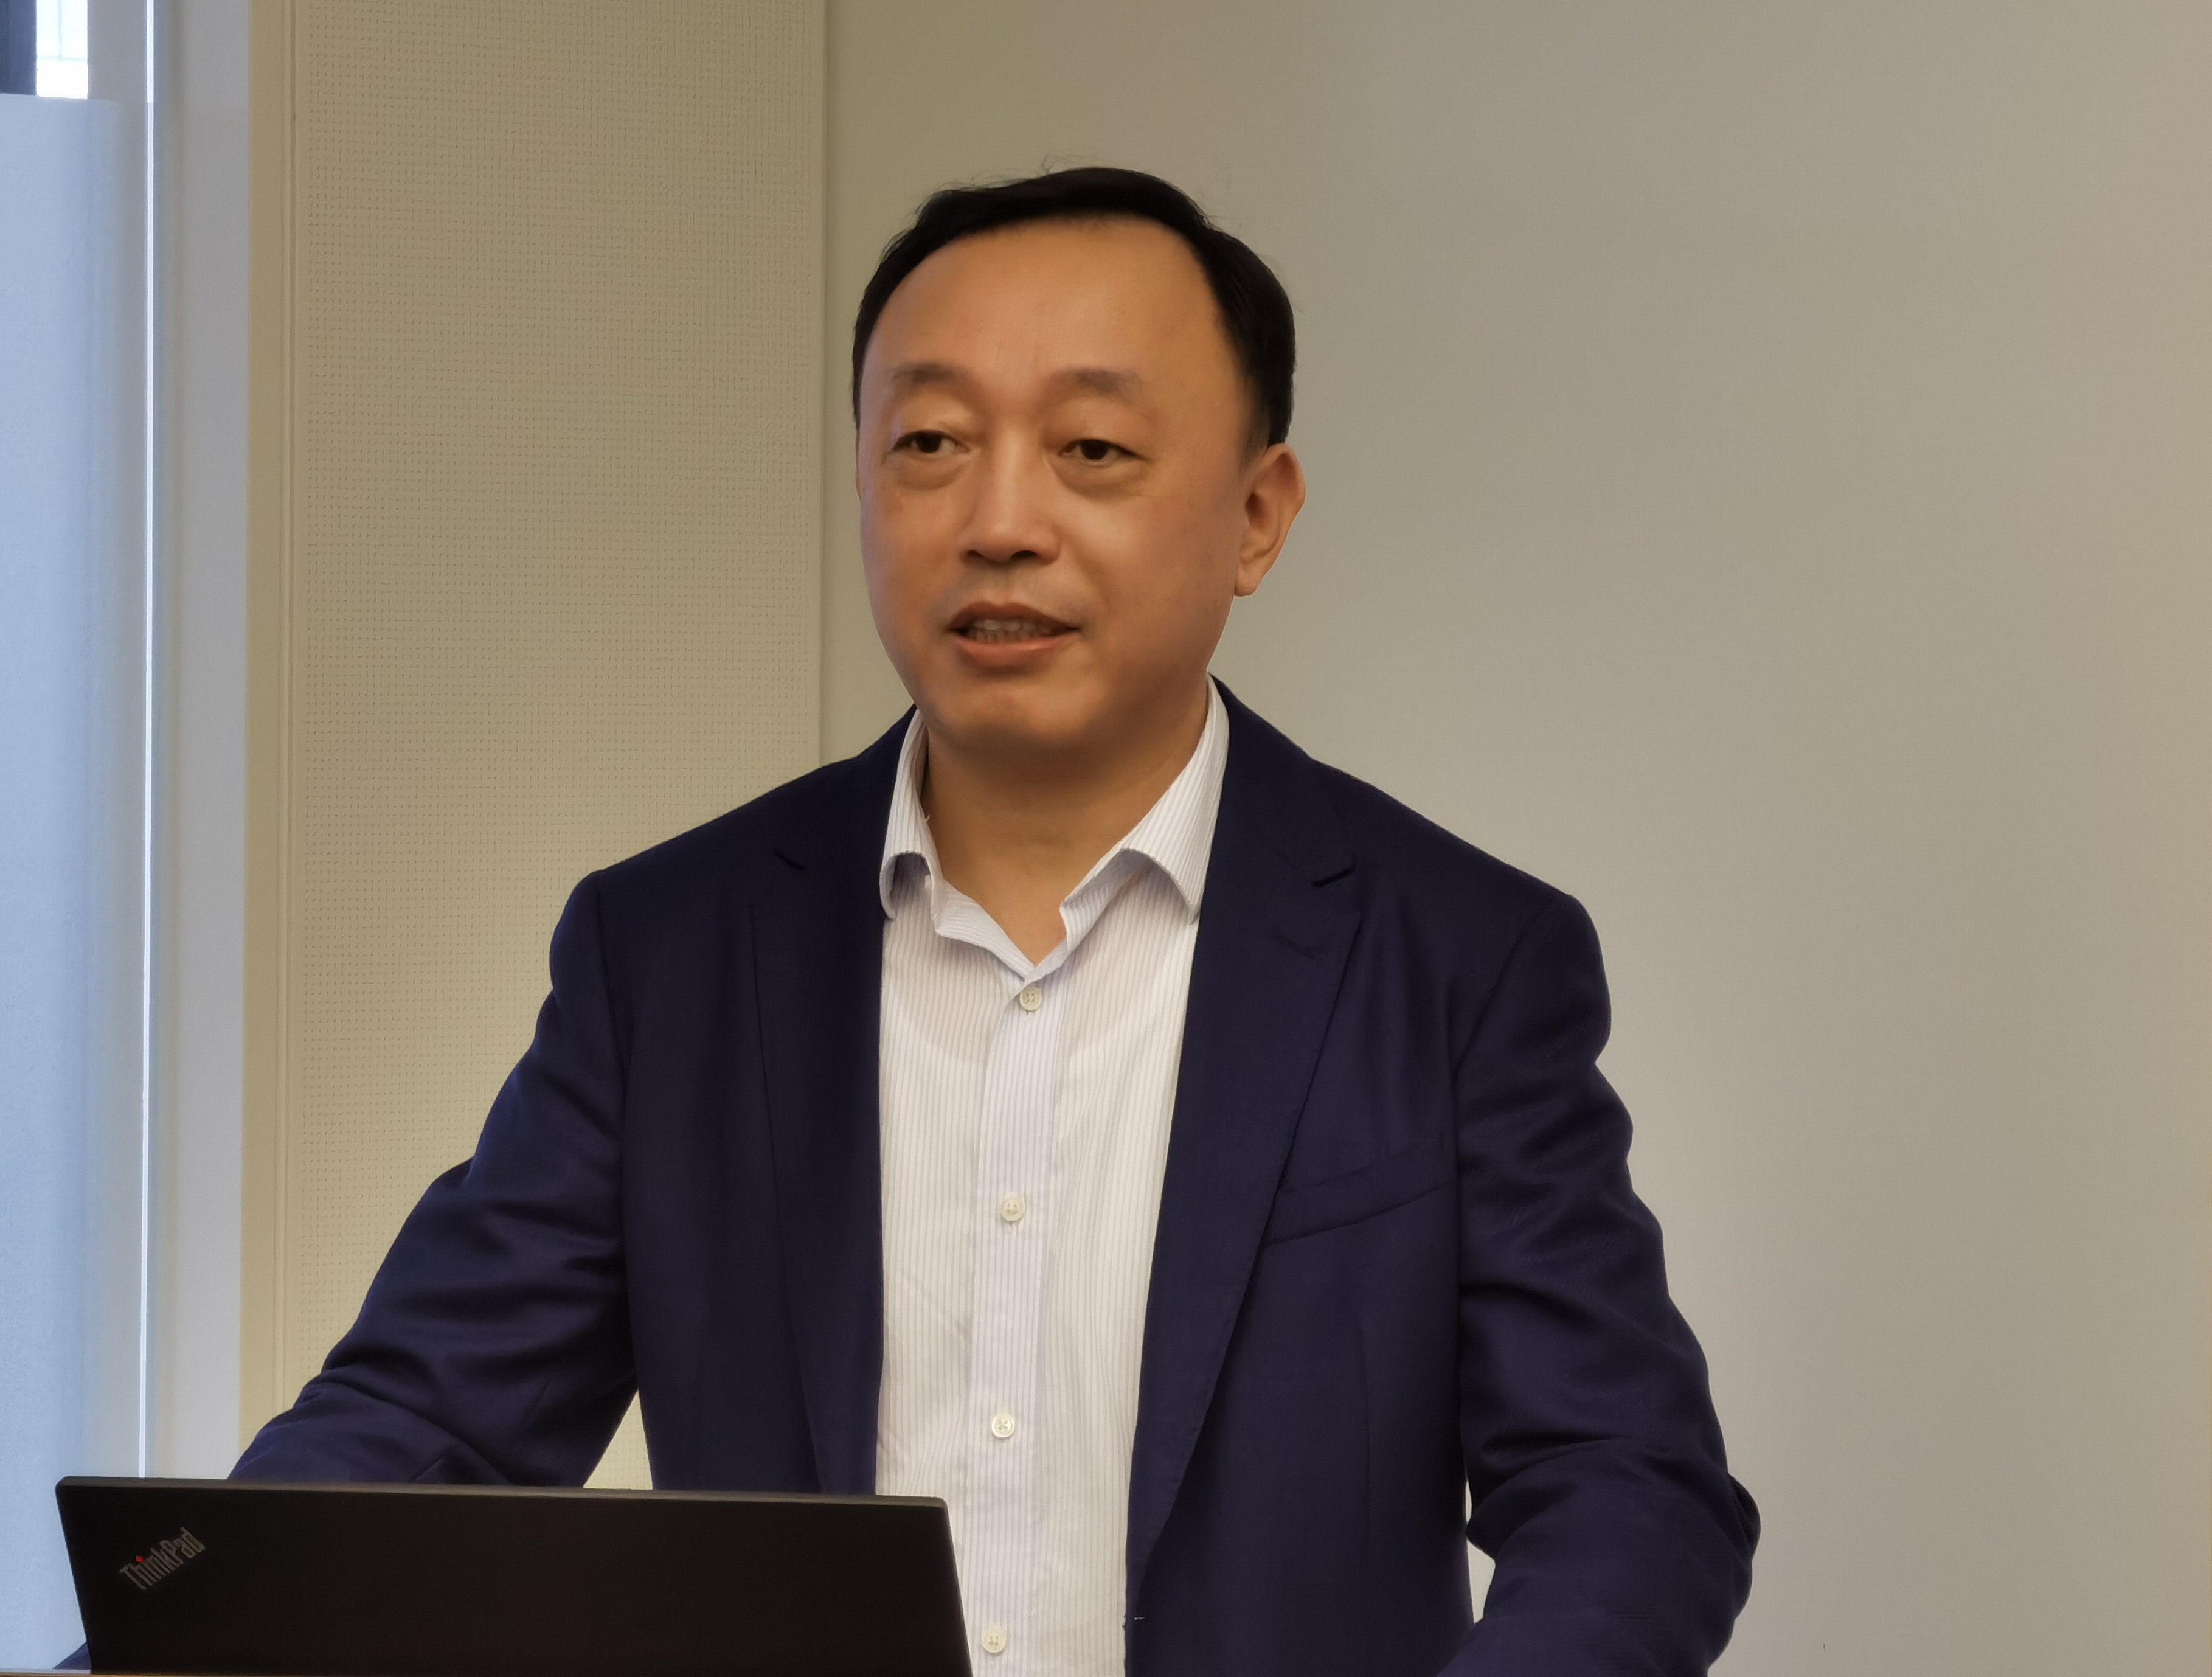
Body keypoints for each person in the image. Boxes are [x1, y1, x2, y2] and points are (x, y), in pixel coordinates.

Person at [233, 167, 1758, 1675]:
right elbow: (424, 1429)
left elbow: (1624, 1493)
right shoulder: (671, 954)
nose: (998, 521)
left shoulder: (1456, 960)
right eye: (929, 444)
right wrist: (173, 1610)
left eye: (1090, 448)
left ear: (1255, 516)